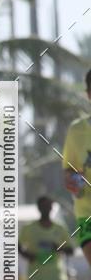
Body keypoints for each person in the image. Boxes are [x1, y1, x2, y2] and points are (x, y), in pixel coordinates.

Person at [63, 69, 91, 268]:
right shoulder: (77, 130)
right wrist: (71, 181)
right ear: (88, 94)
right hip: (87, 213)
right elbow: (68, 170)